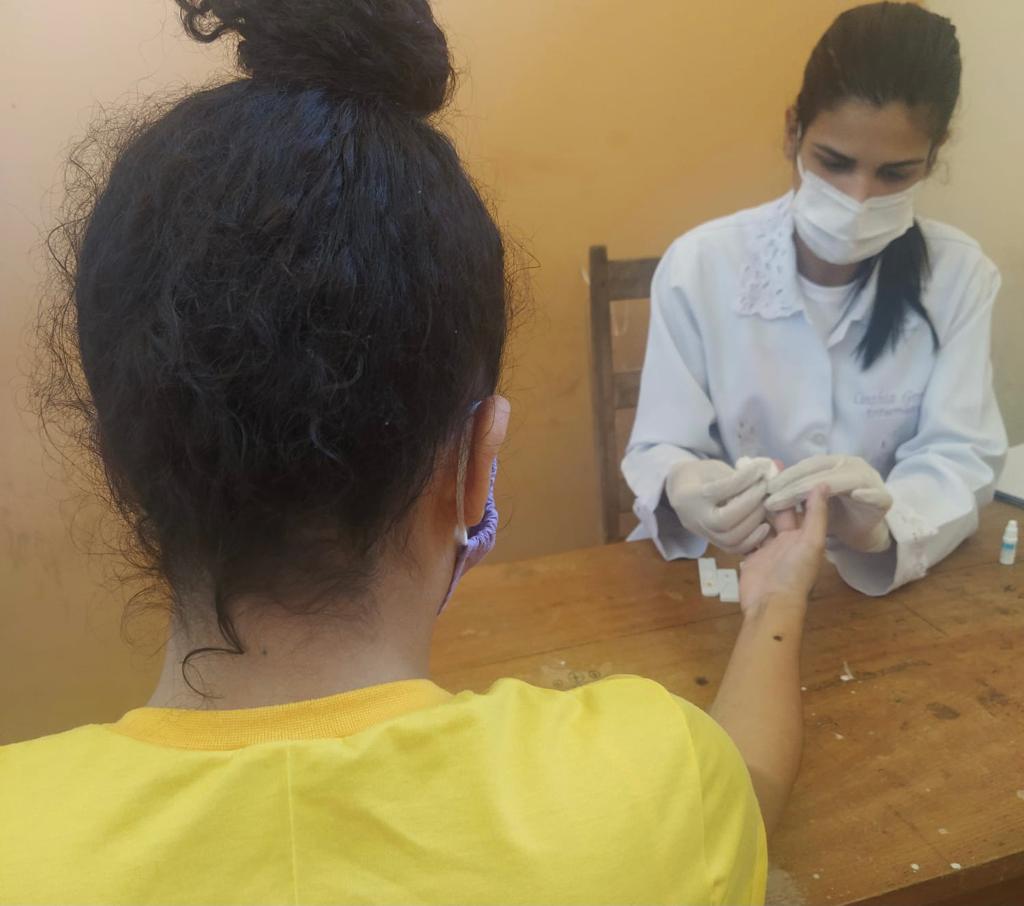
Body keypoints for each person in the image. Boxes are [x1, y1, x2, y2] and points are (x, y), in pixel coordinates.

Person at [2, 2, 827, 903]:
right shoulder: (651, 790)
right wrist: (776, 599)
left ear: (121, 462)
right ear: (476, 467)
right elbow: (739, 798)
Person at [623, 1, 1007, 597]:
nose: (858, 198)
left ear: (934, 157)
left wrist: (882, 527)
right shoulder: (700, 265)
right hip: (728, 578)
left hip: (873, 591)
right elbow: (661, 441)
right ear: (792, 131)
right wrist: (683, 483)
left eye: (895, 174)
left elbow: (959, 454)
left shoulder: (958, 276)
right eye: (835, 162)